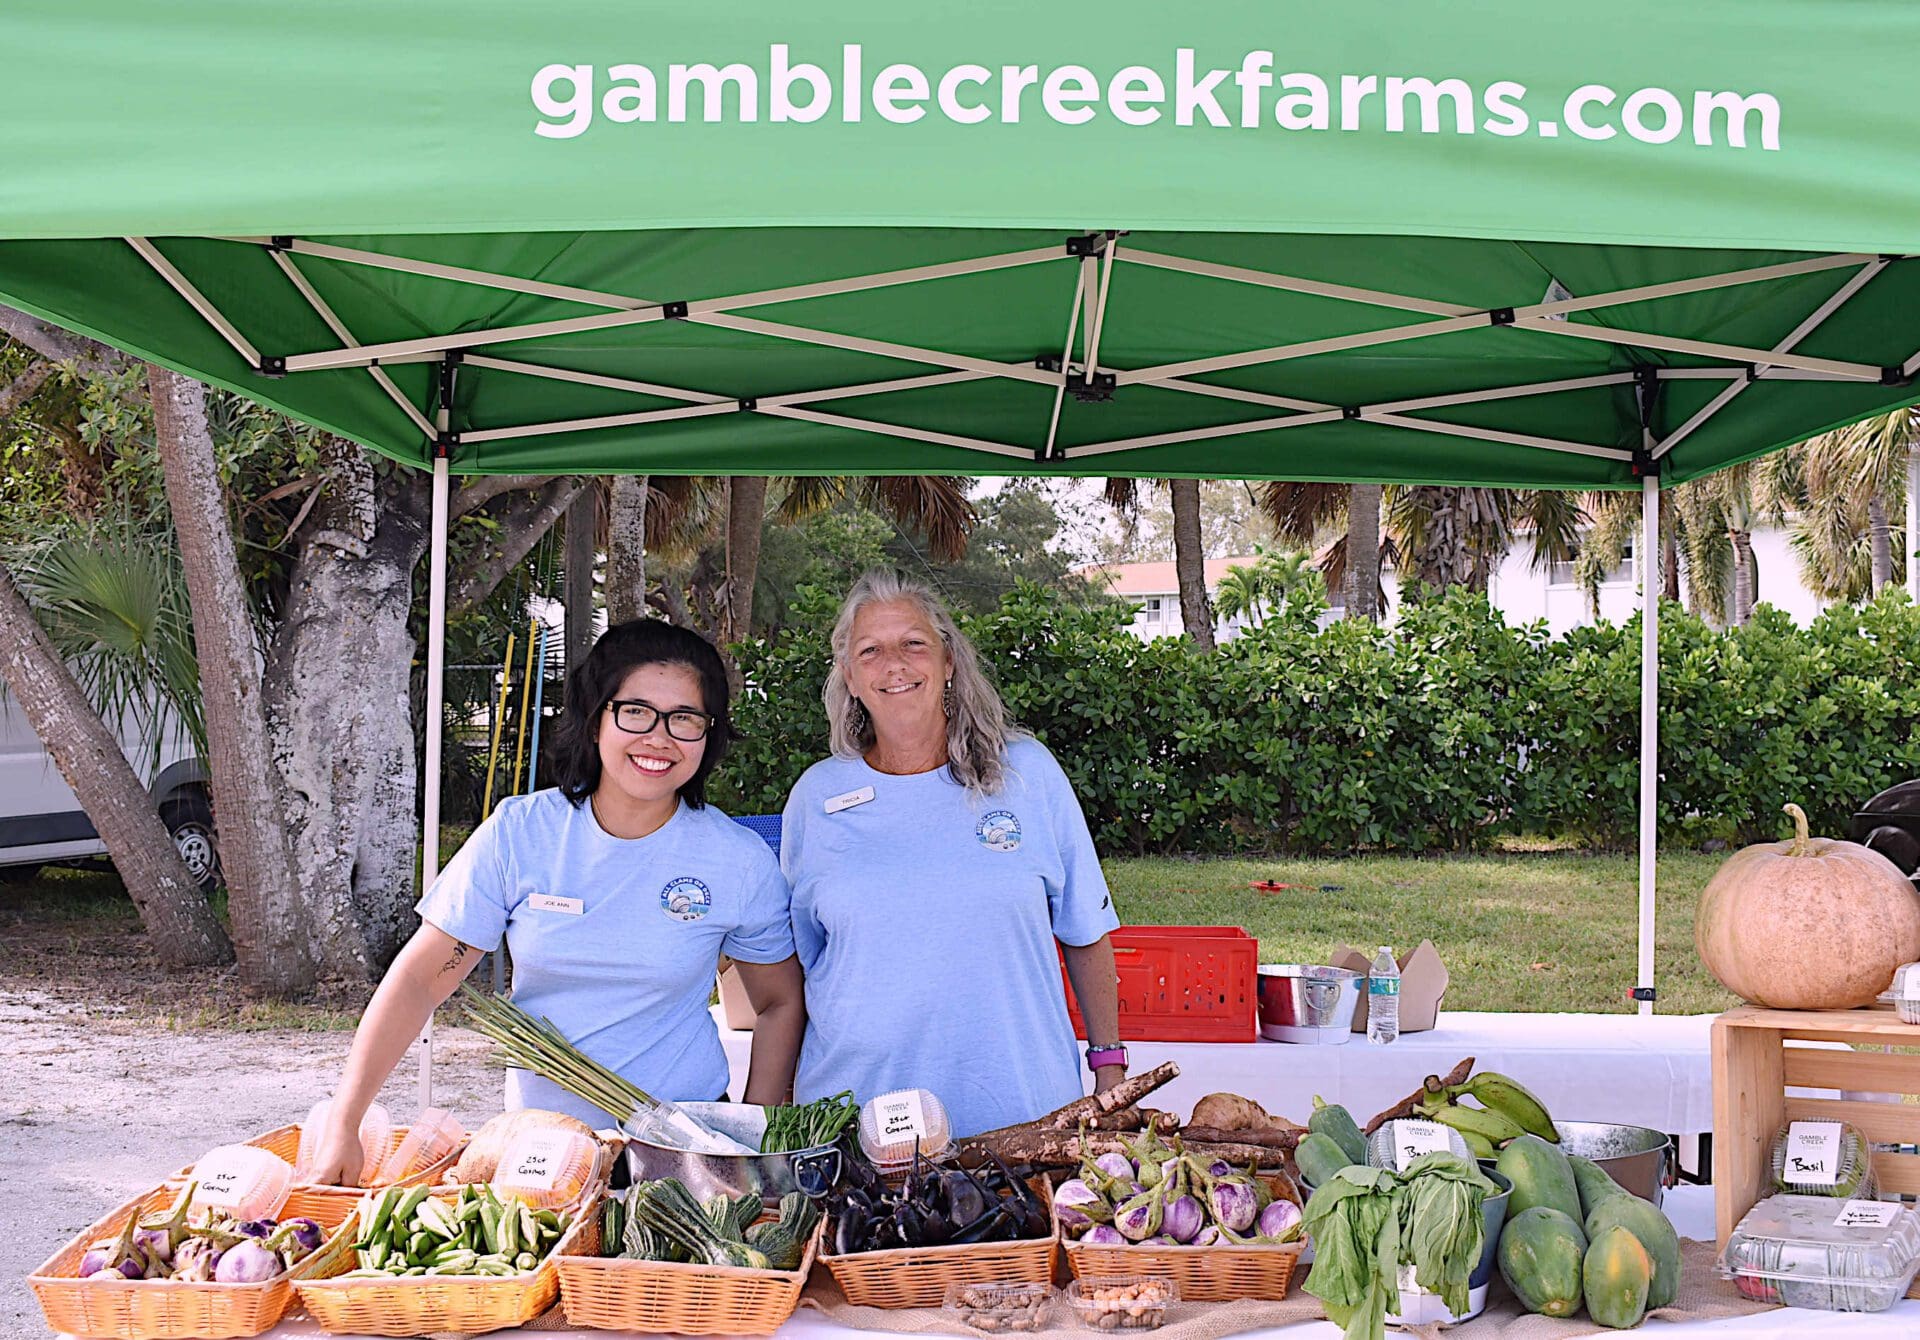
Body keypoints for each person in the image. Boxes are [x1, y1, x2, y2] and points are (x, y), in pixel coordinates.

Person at [308, 620, 804, 1184]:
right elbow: (421, 979)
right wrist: (344, 1122)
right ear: (596, 719)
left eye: (684, 719)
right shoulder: (521, 834)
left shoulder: (736, 859)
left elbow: (778, 1004)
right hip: (539, 1153)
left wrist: (748, 1136)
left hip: (681, 1156)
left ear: (707, 735)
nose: (658, 737)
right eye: (635, 711)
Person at [781, 570, 1124, 1139]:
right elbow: (799, 968)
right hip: (857, 1119)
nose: (895, 664)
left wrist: (1109, 1067)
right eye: (871, 651)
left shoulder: (1028, 773)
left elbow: (1085, 928)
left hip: (1023, 1114)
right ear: (849, 676)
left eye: (914, 644)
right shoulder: (815, 797)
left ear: (948, 662)